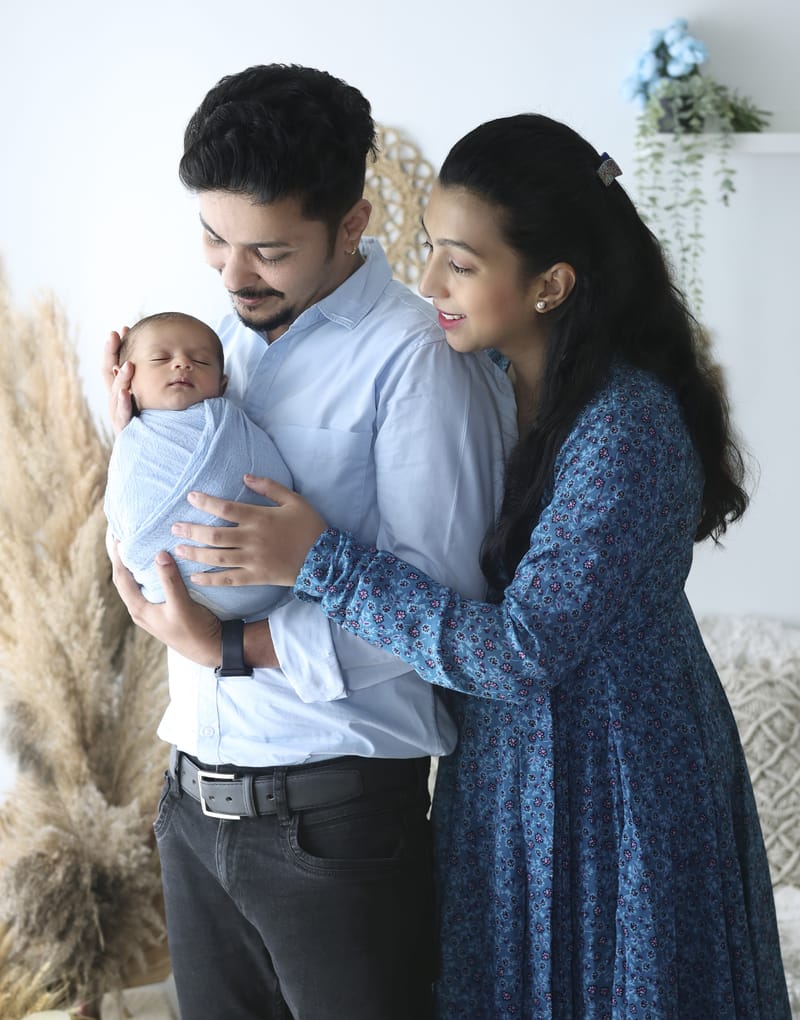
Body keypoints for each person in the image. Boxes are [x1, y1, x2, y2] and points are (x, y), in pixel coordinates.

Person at [181, 115, 792, 1018]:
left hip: (617, 786)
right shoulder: (492, 386)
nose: (427, 282)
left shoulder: (626, 426)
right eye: (429, 248)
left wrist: (323, 562)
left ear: (550, 284)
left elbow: (519, 648)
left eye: (459, 264)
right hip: (500, 787)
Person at [104, 66, 514, 1020]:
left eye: (270, 250)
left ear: (354, 223)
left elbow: (443, 608)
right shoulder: (214, 347)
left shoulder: (415, 363)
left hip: (334, 822)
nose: (233, 274)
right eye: (213, 236)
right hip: (190, 804)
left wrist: (235, 648)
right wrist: (141, 441)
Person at [104, 310, 293, 620]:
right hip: (170, 594)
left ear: (222, 385)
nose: (182, 364)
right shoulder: (130, 443)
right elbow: (121, 510)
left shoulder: (230, 424)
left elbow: (266, 474)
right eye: (160, 359)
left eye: (201, 361)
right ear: (125, 378)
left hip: (265, 577)